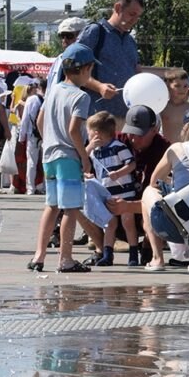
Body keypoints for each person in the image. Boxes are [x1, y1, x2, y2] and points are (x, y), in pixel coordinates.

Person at [107, 107, 189, 272]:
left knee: (148, 192)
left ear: (185, 128)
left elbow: (154, 182)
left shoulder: (176, 148)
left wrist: (174, 182)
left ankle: (157, 258)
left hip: (176, 229)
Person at [28, 43, 97, 273]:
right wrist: (84, 157)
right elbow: (74, 130)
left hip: (49, 156)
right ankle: (65, 259)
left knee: (51, 206)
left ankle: (39, 256)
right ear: (86, 69)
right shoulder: (81, 96)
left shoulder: (54, 89)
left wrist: (49, 139)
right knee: (71, 208)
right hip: (68, 157)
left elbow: (39, 120)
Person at [76, 0, 146, 118]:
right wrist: (99, 87)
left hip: (126, 116)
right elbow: (74, 70)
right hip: (97, 117)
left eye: (138, 17)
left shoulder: (130, 41)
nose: (135, 20)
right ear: (118, 8)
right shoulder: (95, 32)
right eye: (132, 14)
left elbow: (136, 70)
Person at [84, 111, 140, 267]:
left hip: (125, 193)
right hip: (107, 193)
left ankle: (134, 253)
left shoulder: (118, 147)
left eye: (88, 133)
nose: (87, 136)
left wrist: (119, 173)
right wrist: (89, 148)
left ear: (96, 134)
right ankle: (108, 255)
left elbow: (131, 164)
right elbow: (84, 161)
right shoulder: (95, 151)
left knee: (128, 222)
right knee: (109, 224)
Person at [16, 80, 45, 196]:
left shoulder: (32, 99)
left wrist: (21, 137)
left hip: (33, 134)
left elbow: (25, 119)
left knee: (32, 161)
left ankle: (30, 187)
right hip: (46, 134)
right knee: (45, 161)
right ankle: (43, 186)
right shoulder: (49, 98)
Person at [159, 68, 189, 147]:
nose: (182, 89)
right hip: (165, 149)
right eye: (177, 86)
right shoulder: (162, 107)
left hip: (185, 151)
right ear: (168, 86)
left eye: (185, 86)